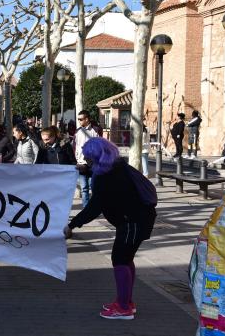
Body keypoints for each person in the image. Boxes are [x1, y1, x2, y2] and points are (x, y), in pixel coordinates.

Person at [64, 138, 156, 320]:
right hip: (138, 220)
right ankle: (126, 302)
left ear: (98, 157)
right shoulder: (117, 166)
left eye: (90, 159)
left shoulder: (108, 178)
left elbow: (93, 208)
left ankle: (123, 308)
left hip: (132, 223)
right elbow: (99, 173)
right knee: (126, 259)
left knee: (120, 259)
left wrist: (72, 225)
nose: (88, 162)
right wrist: (85, 169)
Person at [75, 110, 99, 207]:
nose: (79, 121)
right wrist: (76, 159)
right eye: (78, 119)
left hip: (93, 163)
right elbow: (75, 146)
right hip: (81, 163)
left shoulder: (95, 130)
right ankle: (86, 208)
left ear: (87, 119)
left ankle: (94, 208)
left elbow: (100, 146)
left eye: (81, 119)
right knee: (84, 188)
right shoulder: (77, 131)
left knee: (93, 187)